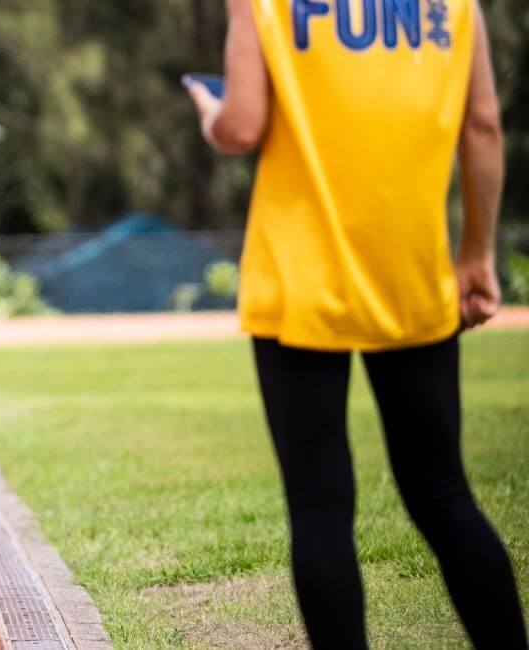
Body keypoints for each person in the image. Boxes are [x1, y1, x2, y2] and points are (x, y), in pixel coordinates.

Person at [186, 0, 526, 646]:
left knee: (319, 509)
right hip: (412, 274)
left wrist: (210, 112)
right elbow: (482, 128)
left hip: (300, 280)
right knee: (446, 494)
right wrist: (477, 254)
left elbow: (241, 128)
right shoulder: (453, 6)